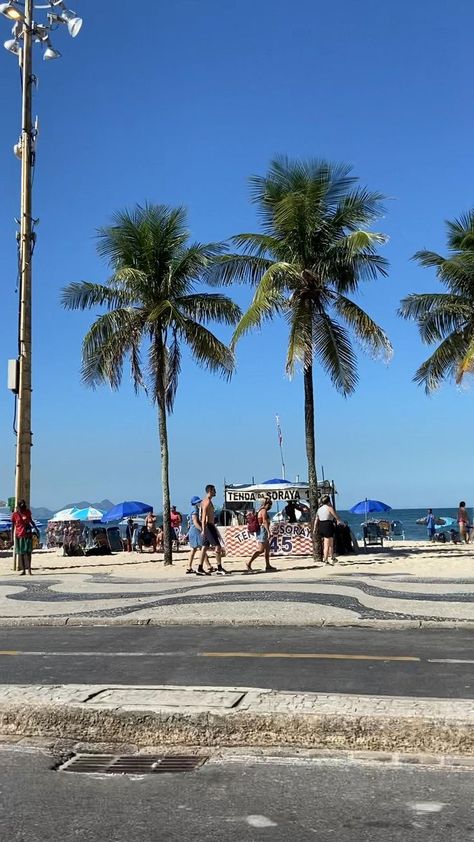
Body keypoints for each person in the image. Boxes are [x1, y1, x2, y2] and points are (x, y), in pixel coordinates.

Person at [199, 484, 230, 575]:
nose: (215, 492)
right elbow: (204, 515)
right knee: (217, 546)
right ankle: (219, 568)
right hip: (208, 526)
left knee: (204, 547)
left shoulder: (206, 501)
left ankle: (200, 568)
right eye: (214, 490)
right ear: (210, 491)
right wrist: (204, 529)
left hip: (209, 525)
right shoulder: (207, 502)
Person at [245, 498, 277, 573]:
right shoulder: (263, 511)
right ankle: (248, 562)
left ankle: (268, 565)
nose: (270, 506)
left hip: (262, 530)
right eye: (269, 504)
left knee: (267, 549)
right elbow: (265, 521)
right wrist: (268, 532)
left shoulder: (260, 510)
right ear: (266, 504)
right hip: (263, 531)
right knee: (261, 550)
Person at [314, 495, 342, 565]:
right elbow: (336, 516)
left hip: (321, 525)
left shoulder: (319, 509)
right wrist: (339, 521)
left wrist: (315, 528)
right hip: (328, 525)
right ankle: (326, 560)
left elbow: (316, 519)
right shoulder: (329, 508)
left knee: (330, 543)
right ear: (329, 501)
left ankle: (332, 557)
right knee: (327, 544)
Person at [12, 499, 36, 575]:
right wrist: (11, 537)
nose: (23, 507)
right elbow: (13, 526)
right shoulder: (15, 514)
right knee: (21, 553)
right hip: (19, 535)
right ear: (19, 506)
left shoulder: (27, 512)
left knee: (28, 553)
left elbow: (31, 521)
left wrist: (36, 528)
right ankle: (23, 570)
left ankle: (29, 569)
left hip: (27, 534)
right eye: (21, 506)